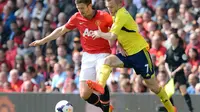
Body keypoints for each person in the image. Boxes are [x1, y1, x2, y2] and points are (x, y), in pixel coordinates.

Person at [86, 0, 175, 111]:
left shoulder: (122, 14)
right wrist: (120, 45)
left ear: (120, 4)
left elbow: (113, 36)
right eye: (108, 7)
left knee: (154, 87)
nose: (110, 9)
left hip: (140, 54)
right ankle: (100, 85)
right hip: (128, 54)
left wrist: (100, 34)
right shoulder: (115, 15)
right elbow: (122, 34)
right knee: (107, 61)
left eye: (112, 7)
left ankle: (171, 108)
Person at [29, 0, 113, 112]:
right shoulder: (77, 17)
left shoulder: (104, 16)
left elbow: (117, 31)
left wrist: (122, 46)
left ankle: (106, 110)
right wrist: (44, 40)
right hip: (87, 56)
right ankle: (106, 108)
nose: (80, 11)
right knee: (84, 94)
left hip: (103, 53)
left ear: (89, 6)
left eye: (82, 8)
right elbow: (62, 30)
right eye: (78, 8)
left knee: (100, 82)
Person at [165, 34, 194, 112]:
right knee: (167, 93)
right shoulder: (169, 50)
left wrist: (175, 71)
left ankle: (190, 109)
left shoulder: (181, 50)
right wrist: (169, 71)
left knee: (183, 91)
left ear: (177, 40)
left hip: (179, 73)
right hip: (171, 73)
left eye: (172, 38)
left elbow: (184, 63)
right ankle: (172, 109)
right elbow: (166, 62)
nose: (170, 40)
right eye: (170, 38)